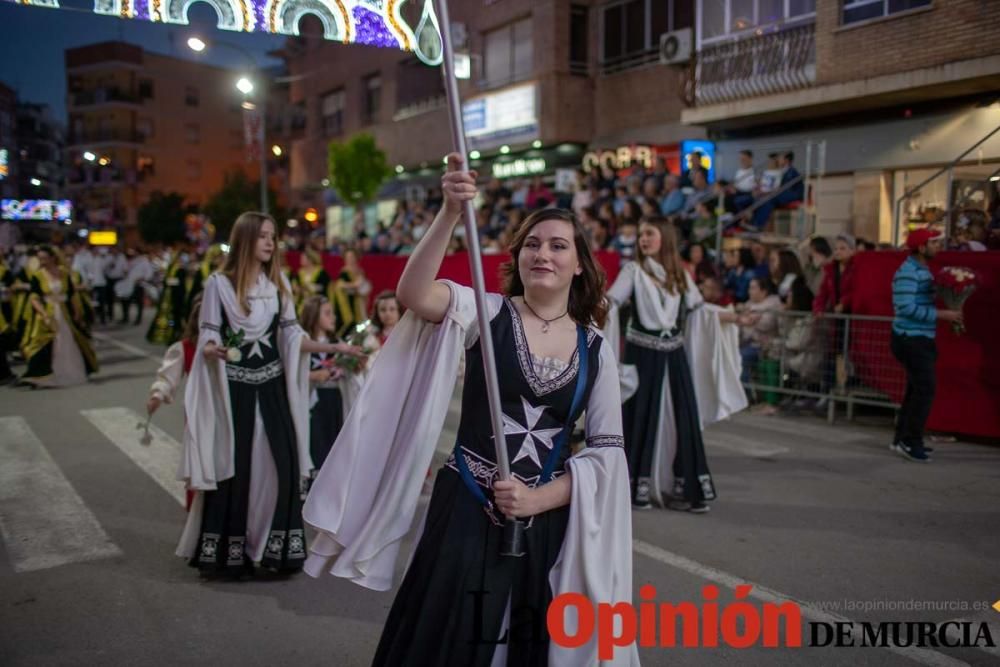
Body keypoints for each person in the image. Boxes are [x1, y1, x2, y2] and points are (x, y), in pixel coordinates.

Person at [303, 154, 637, 666]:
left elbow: (608, 454)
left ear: (579, 263)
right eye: (532, 243)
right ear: (518, 257)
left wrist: (538, 500)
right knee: (448, 639)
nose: (542, 253)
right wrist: (450, 213)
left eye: (557, 245)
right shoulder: (486, 311)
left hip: (545, 521)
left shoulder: (596, 348)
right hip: (466, 504)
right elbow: (413, 294)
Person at [176, 212, 363, 578]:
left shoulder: (278, 287)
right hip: (235, 392)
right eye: (263, 236)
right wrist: (213, 349)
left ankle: (274, 548)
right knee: (237, 468)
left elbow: (293, 338)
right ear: (246, 239)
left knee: (281, 467)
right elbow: (211, 332)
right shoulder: (219, 284)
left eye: (272, 236)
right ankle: (232, 552)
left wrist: (337, 344)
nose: (270, 243)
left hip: (273, 389)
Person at [605, 217, 745, 511]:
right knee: (641, 416)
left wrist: (732, 317)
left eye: (649, 233)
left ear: (664, 238)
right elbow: (612, 301)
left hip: (674, 356)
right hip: (642, 356)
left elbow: (698, 312)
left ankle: (684, 488)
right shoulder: (633, 271)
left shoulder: (679, 275)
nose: (643, 239)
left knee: (682, 419)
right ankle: (637, 486)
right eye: (641, 234)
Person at [890, 228, 962, 463]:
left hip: (920, 338)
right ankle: (910, 441)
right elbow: (906, 308)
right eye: (934, 243)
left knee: (915, 389)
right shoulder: (909, 272)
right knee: (925, 389)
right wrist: (942, 314)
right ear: (921, 247)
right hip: (910, 338)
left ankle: (900, 437)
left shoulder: (923, 270)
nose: (939, 247)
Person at [147, 294, 203, 510]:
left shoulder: (228, 345)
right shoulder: (185, 347)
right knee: (197, 458)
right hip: (197, 411)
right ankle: (196, 508)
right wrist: (157, 395)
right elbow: (168, 376)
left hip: (228, 410)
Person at [20, 245, 98, 387]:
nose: (42, 261)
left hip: (64, 312)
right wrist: (43, 314)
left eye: (44, 258)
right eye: (40, 258)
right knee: (49, 343)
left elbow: (71, 294)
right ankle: (45, 375)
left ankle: (71, 372)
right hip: (48, 314)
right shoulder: (38, 276)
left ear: (53, 258)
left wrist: (77, 312)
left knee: (68, 341)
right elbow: (34, 297)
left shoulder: (63, 273)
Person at [299, 295, 352, 474]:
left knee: (333, 442)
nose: (333, 318)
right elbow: (290, 371)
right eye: (327, 313)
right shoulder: (301, 344)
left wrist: (346, 369)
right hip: (311, 402)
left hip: (334, 400)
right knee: (315, 443)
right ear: (314, 315)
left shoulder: (338, 344)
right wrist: (312, 375)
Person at [147, 246, 189, 345]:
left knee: (175, 319)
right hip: (167, 298)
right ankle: (165, 335)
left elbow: (182, 284)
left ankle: (175, 336)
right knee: (166, 318)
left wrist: (172, 282)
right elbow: (166, 280)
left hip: (176, 298)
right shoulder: (171, 267)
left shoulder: (181, 269)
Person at [331, 248, 371, 338]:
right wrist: (354, 285)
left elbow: (362, 285)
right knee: (348, 321)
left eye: (352, 257)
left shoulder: (359, 271)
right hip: (347, 302)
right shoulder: (344, 272)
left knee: (360, 322)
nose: (350, 259)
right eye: (348, 257)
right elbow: (339, 286)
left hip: (357, 301)